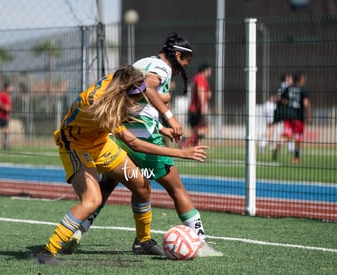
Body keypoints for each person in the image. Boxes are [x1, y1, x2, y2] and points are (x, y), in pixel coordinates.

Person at [63, 34, 223, 257]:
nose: (186, 66)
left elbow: (135, 101)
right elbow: (146, 87)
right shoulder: (163, 68)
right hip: (141, 140)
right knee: (176, 189)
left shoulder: (141, 62)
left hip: (119, 136)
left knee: (111, 185)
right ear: (177, 55)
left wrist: (161, 127)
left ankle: (78, 230)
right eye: (186, 60)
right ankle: (200, 242)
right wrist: (170, 117)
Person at [37, 65, 209, 265]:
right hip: (75, 146)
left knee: (142, 185)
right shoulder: (98, 103)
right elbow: (134, 143)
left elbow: (138, 101)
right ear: (126, 93)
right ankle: (47, 251)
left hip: (101, 143)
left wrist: (162, 127)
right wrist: (181, 153)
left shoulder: (121, 80)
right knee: (92, 200)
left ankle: (143, 241)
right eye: (138, 95)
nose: (141, 97)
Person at [279, 71, 312, 163]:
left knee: (288, 134)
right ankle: (296, 157)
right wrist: (309, 115)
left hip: (288, 115)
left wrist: (288, 104)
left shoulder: (288, 88)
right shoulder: (303, 89)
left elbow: (282, 99)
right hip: (298, 116)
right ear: (301, 79)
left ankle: (280, 142)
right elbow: (305, 103)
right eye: (304, 78)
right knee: (298, 137)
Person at [183, 63, 213, 148]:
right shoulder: (200, 78)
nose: (210, 72)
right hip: (196, 109)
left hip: (195, 108)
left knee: (197, 130)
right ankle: (185, 143)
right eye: (210, 70)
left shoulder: (198, 78)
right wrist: (203, 106)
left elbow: (205, 92)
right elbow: (201, 91)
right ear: (206, 70)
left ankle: (195, 145)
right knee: (203, 130)